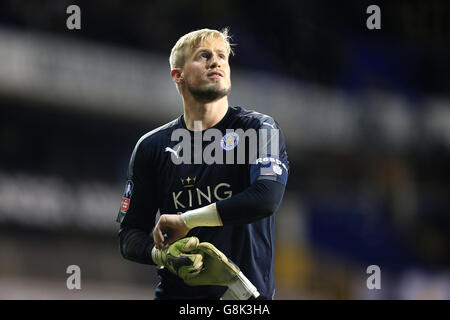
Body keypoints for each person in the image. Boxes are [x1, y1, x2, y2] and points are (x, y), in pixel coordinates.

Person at [117, 28, 289, 300]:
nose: (216, 61)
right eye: (204, 56)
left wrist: (185, 220)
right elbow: (129, 235)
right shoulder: (152, 147)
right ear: (178, 75)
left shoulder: (259, 130)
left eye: (222, 56)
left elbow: (265, 199)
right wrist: (163, 255)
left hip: (243, 302)